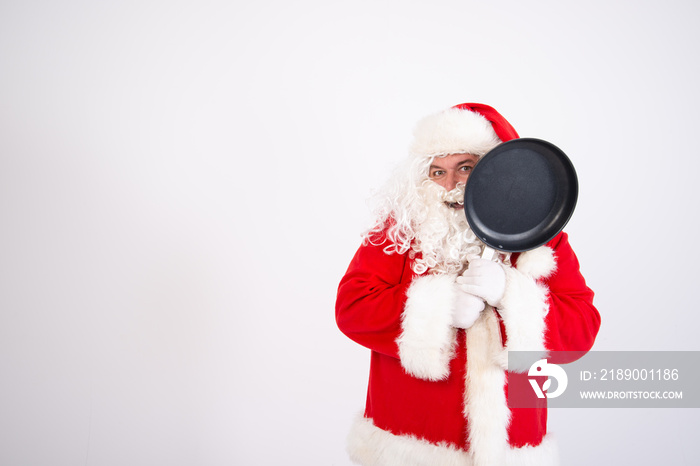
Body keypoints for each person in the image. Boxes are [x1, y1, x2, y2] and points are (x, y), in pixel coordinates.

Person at [335, 103, 601, 466]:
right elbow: (352, 306)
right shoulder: (397, 233)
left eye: (465, 168)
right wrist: (438, 307)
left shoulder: (543, 242)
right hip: (411, 440)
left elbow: (582, 329)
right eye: (437, 171)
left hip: (513, 446)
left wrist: (510, 293)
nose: (451, 185)